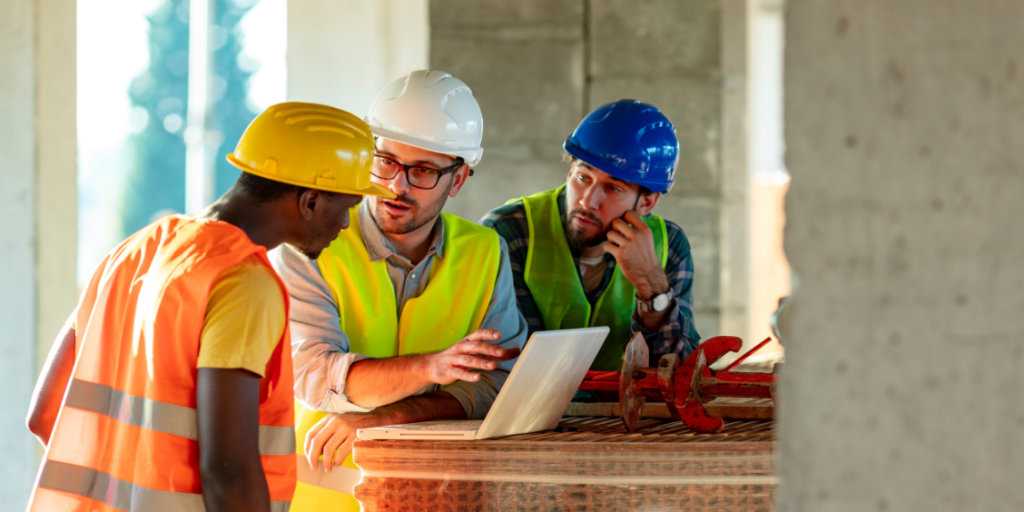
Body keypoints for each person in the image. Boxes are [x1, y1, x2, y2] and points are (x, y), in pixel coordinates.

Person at [24, 102, 392, 512]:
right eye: (348, 206)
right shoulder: (243, 282)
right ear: (310, 201)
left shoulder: (133, 252)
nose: (346, 224)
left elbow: (45, 414)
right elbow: (229, 472)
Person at [273, 70, 526, 511]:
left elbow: (495, 386)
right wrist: (432, 369)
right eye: (385, 160)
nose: (396, 185)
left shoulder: (485, 252)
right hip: (319, 497)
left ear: (459, 179)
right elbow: (315, 378)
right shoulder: (311, 244)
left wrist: (394, 416)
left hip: (437, 497)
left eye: (423, 170)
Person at [481, 99, 700, 377]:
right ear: (570, 170)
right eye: (583, 177)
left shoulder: (669, 246)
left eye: (612, 188)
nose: (587, 201)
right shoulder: (507, 233)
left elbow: (680, 373)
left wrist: (652, 286)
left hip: (625, 418)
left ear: (646, 203)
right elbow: (514, 365)